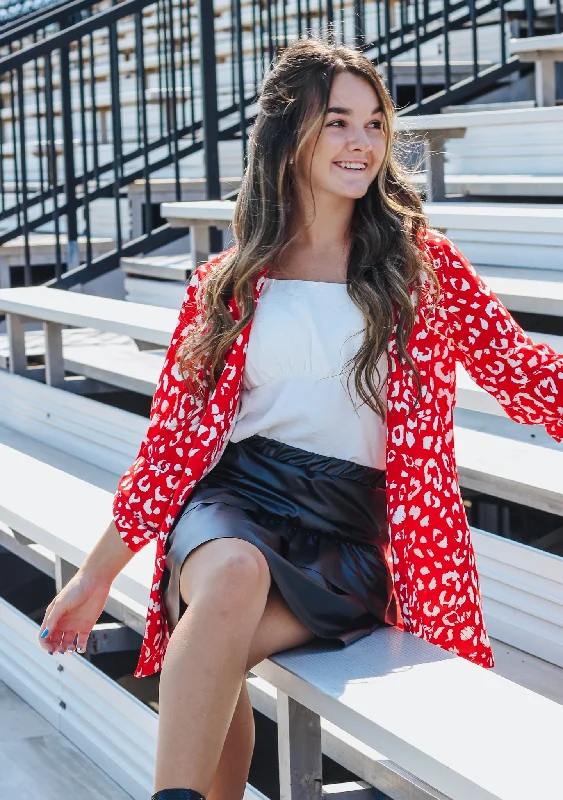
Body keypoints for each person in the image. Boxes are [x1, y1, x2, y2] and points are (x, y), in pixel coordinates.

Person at [37, 36, 563, 800]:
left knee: (211, 650)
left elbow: (527, 375)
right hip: (236, 501)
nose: (360, 142)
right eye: (337, 122)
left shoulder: (421, 268)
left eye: (374, 123)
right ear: (290, 137)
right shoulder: (229, 282)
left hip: (349, 532)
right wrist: (95, 574)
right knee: (230, 577)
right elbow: (173, 445)